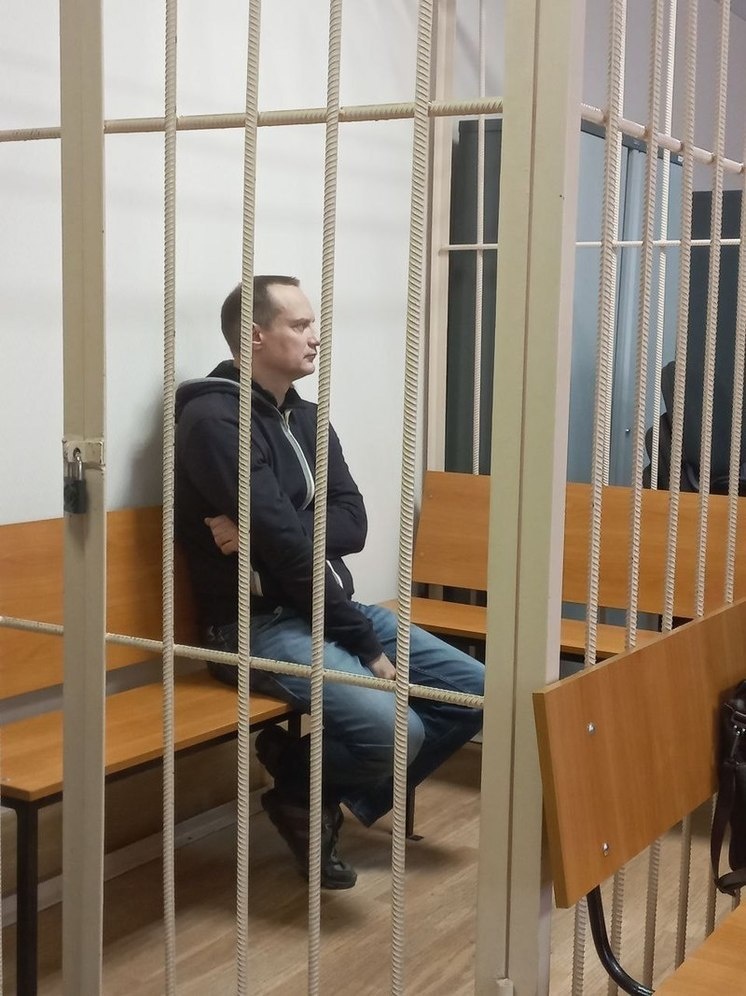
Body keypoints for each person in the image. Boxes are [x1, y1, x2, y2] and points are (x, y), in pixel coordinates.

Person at [174, 276, 484, 889]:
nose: (315, 336)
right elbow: (287, 550)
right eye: (299, 325)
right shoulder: (213, 420)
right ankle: (311, 795)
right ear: (255, 336)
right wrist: (361, 641)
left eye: (313, 323)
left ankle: (303, 787)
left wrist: (270, 527)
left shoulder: (308, 418)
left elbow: (352, 521)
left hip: (327, 606)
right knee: (399, 731)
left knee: (474, 691)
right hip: (254, 626)